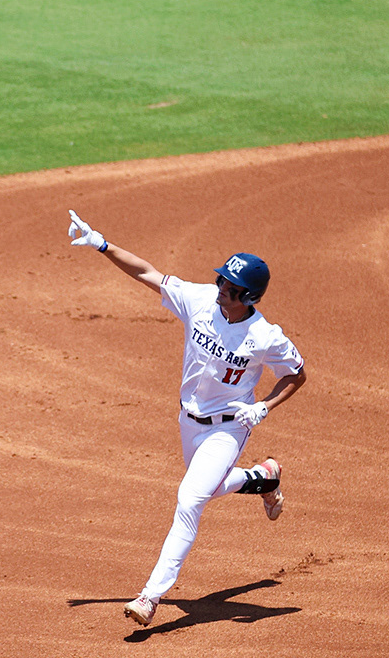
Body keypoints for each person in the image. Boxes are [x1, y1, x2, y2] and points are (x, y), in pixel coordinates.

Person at [67, 210, 307, 628]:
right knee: (208, 489)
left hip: (230, 427)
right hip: (189, 423)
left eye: (229, 288)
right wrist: (102, 244)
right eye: (220, 281)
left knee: (189, 499)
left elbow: (297, 374)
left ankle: (150, 596)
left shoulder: (265, 336)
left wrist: (263, 406)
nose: (219, 290)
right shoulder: (199, 299)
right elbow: (147, 273)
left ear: (249, 297)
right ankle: (263, 478)